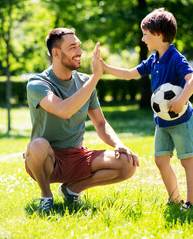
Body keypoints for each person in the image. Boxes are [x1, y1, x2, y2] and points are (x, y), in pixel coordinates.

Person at [24, 28, 139, 213]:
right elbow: (64, 110)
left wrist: (118, 144)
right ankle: (46, 196)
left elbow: (100, 123)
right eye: (72, 47)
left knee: (128, 163)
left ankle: (72, 189)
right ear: (55, 53)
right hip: (47, 158)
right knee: (37, 145)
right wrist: (95, 78)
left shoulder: (85, 82)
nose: (79, 52)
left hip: (78, 156)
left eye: (79, 46)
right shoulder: (37, 83)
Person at [100, 8, 193, 210]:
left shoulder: (176, 58)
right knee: (161, 160)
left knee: (187, 161)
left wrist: (181, 99)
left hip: (181, 120)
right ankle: (174, 199)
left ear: (159, 34)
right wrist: (104, 67)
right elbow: (129, 73)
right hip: (162, 121)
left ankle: (192, 203)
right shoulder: (154, 59)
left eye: (145, 33)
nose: (143, 38)